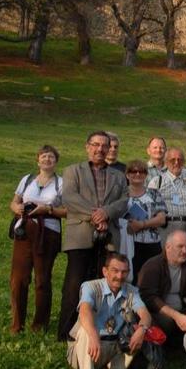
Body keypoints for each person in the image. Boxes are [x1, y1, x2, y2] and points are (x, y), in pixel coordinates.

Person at [57, 131, 129, 341]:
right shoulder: (72, 171)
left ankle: (100, 330)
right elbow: (70, 197)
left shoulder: (118, 175)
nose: (100, 149)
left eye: (104, 146)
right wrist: (96, 215)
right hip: (80, 234)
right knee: (74, 284)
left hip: (108, 237)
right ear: (87, 146)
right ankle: (67, 332)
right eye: (95, 145)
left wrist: (107, 212)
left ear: (109, 149)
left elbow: (124, 200)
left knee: (103, 285)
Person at [67, 253, 154, 369]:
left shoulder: (131, 291)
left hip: (114, 344)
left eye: (124, 272)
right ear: (105, 271)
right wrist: (93, 335)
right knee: (85, 330)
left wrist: (142, 330)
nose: (120, 276)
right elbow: (84, 310)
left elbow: (145, 315)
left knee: (139, 331)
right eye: (115, 270)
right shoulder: (91, 286)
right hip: (87, 348)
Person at [9, 144, 66, 333]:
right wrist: (16, 208)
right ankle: (17, 324)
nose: (47, 160)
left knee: (42, 280)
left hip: (48, 232)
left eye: (51, 157)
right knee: (18, 278)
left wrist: (48, 209)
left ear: (56, 161)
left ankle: (39, 324)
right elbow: (15, 201)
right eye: (43, 156)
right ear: (37, 160)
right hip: (24, 231)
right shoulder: (27, 180)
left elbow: (67, 211)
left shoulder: (62, 183)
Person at [136, 231, 186, 369]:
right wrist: (176, 316)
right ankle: (172, 352)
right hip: (158, 312)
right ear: (167, 247)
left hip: (182, 309)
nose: (185, 251)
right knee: (167, 322)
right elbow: (149, 298)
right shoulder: (153, 266)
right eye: (180, 246)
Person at [118, 160, 167, 283]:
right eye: (133, 171)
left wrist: (142, 225)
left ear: (146, 175)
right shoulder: (120, 194)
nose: (138, 174)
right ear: (127, 174)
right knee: (129, 278)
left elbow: (161, 219)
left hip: (151, 244)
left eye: (142, 171)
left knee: (151, 278)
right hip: (127, 243)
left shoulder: (154, 193)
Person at [148, 148, 186, 239]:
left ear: (184, 162)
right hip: (165, 228)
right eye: (172, 160)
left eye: (180, 160)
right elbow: (149, 208)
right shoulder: (157, 182)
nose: (176, 163)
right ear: (166, 162)